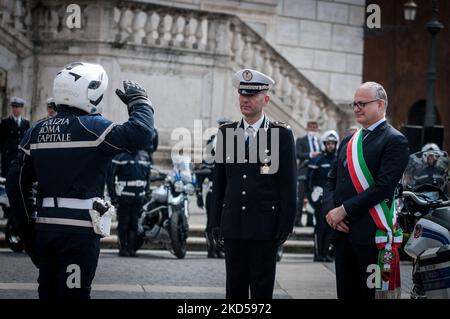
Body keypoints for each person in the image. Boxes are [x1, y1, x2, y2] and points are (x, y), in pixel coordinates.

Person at [5, 61, 155, 299]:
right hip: (79, 235)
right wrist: (140, 101)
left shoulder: (36, 131)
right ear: (91, 93)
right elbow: (142, 133)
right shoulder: (94, 128)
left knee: (49, 294)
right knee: (74, 296)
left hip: (44, 230)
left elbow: (16, 183)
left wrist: (27, 228)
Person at [210, 68, 297, 299]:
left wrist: (285, 224)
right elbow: (219, 183)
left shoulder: (280, 135)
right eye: (242, 95)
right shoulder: (227, 133)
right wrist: (213, 221)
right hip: (234, 224)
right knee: (234, 287)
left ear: (265, 99)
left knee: (261, 287)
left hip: (264, 226)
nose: (245, 100)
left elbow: (288, 186)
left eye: (251, 96)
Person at [323, 81, 409, 299]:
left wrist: (344, 210)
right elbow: (331, 181)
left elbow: (383, 187)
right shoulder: (348, 140)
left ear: (380, 105)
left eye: (362, 103)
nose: (356, 108)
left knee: (370, 295)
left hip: (372, 236)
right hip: (343, 234)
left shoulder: (394, 140)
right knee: (346, 293)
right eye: (354, 104)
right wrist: (331, 212)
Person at [307, 130, 339, 262]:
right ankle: (318, 254)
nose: (331, 146)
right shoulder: (317, 159)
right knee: (320, 226)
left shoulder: (338, 159)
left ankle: (325, 253)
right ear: (324, 144)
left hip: (333, 199)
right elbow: (309, 181)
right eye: (328, 143)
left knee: (330, 227)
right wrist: (310, 199)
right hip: (319, 199)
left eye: (333, 143)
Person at [202, 117, 230, 258]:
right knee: (211, 221)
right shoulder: (212, 141)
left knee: (222, 221)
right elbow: (205, 166)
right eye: (221, 125)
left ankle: (220, 248)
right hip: (213, 188)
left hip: (227, 191)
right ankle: (210, 248)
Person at [295, 120, 320, 227]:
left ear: (317, 129)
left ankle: (310, 220)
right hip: (304, 172)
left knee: (312, 198)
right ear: (307, 128)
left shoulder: (319, 142)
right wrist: (310, 154)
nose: (312, 129)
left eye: (314, 127)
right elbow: (297, 154)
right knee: (300, 198)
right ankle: (297, 220)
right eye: (311, 127)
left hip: (315, 174)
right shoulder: (301, 140)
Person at [0, 97, 30, 177]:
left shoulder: (25, 123)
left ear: (21, 108)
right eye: (13, 107)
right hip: (8, 156)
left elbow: (26, 140)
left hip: (20, 156)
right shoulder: (5, 122)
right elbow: (1, 140)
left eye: (17, 107)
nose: (15, 109)